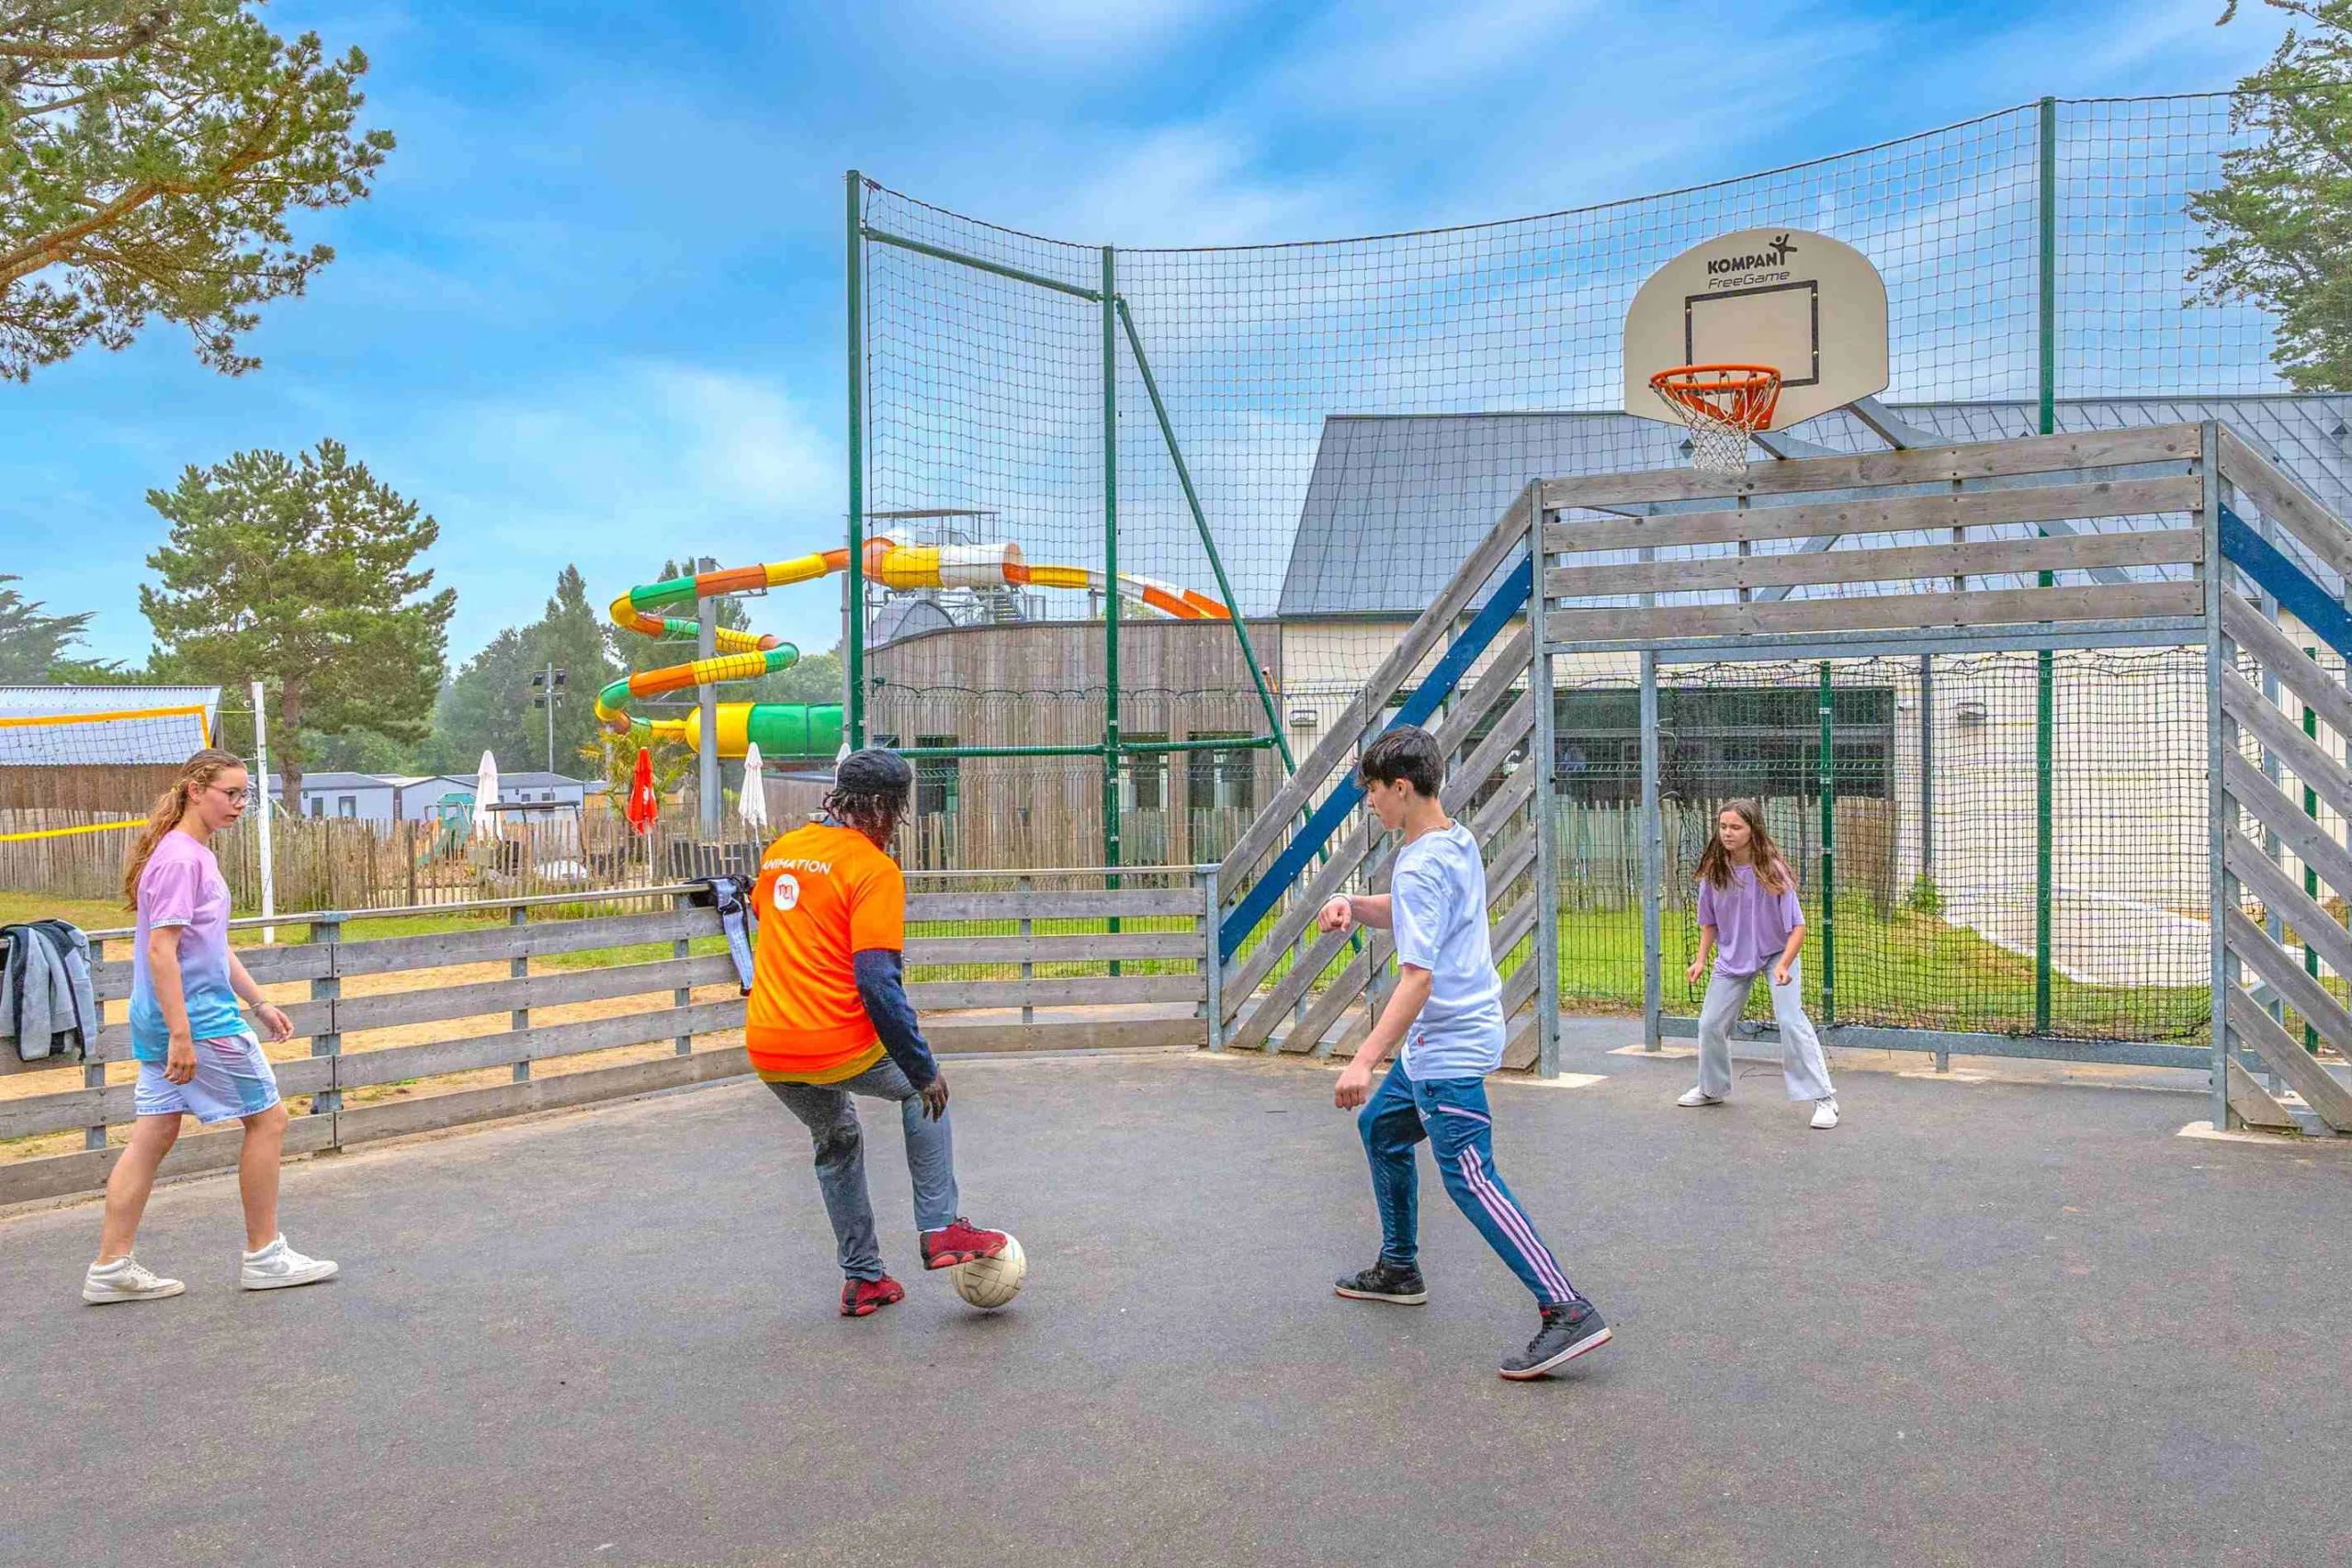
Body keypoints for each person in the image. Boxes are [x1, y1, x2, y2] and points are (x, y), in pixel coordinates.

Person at [1322, 726, 1611, 1381]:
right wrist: (1351, 904)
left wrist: (1363, 1060)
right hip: (1449, 1035)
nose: (1370, 802)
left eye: (1373, 790)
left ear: (1401, 787)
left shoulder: (1421, 862)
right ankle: (1399, 1267)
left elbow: (1417, 979)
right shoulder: (1454, 839)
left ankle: (1566, 1307)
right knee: (1382, 1128)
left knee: (1471, 1177)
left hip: (1446, 1045)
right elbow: (1412, 910)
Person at [747, 749, 1009, 1316]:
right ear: (885, 808)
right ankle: (940, 1229)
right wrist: (921, 1068)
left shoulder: (781, 851)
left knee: (836, 1138)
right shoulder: (873, 869)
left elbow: (772, 919)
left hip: (768, 1045)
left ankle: (864, 1279)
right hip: (831, 1040)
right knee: (922, 1094)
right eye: (897, 812)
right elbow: (878, 983)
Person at [84, 749, 339, 1303]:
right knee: (269, 1120)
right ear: (195, 790)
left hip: (170, 1019)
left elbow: (211, 945)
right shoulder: (181, 859)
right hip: (198, 1022)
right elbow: (161, 951)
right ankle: (265, 1256)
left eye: (246, 794)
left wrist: (258, 1002)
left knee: (154, 1133)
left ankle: (110, 1268)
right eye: (230, 793)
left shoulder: (192, 854)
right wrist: (182, 1034)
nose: (240, 804)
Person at [1679, 798, 1840, 1130]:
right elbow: (1709, 922)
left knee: (1790, 1021)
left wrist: (1784, 964)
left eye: (1736, 827)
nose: (1727, 833)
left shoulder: (1772, 871)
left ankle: (1824, 1099)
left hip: (1777, 954)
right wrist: (1700, 959)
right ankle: (1711, 1089)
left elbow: (1798, 928)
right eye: (1723, 826)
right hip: (1733, 956)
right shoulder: (1715, 872)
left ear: (1753, 831)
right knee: (1710, 1024)